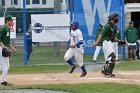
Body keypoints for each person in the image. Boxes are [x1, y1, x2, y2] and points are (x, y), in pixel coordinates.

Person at [93, 13, 120, 77]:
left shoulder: (114, 27)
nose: (116, 19)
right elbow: (101, 34)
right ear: (112, 19)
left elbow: (113, 37)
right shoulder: (107, 26)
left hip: (110, 42)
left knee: (110, 58)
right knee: (113, 57)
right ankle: (109, 73)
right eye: (115, 18)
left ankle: (104, 71)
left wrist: (118, 40)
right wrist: (97, 42)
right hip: (106, 42)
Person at [0, 15, 16, 86]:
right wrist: (3, 47)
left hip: (4, 47)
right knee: (6, 65)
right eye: (11, 20)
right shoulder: (3, 28)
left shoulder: (8, 28)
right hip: (1, 48)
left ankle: (3, 80)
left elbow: (7, 40)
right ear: (7, 21)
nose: (12, 22)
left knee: (3, 65)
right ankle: (3, 81)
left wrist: (12, 47)